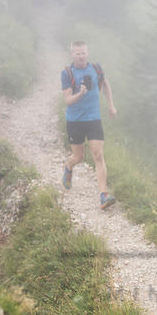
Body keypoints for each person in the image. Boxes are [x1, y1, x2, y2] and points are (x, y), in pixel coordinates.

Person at [60, 40, 118, 209]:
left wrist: (111, 105)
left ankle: (104, 195)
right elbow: (68, 100)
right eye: (77, 53)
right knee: (78, 157)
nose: (81, 56)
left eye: (83, 52)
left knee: (98, 155)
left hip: (93, 119)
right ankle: (68, 166)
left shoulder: (96, 68)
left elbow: (105, 83)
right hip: (75, 120)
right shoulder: (67, 73)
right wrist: (80, 94)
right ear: (72, 55)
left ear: (87, 52)